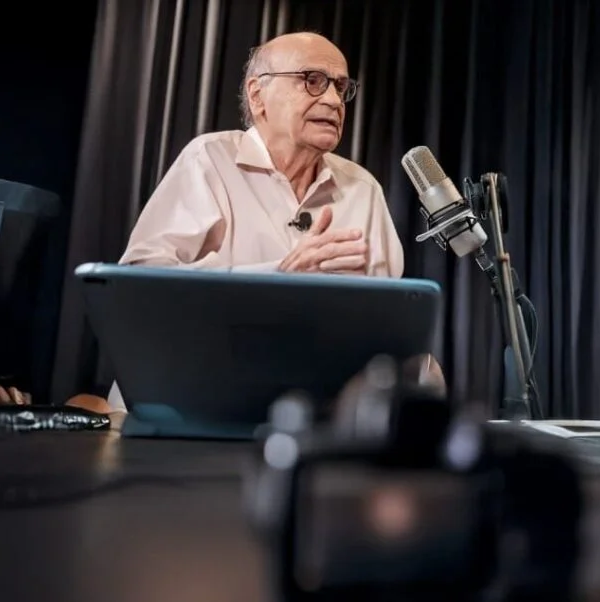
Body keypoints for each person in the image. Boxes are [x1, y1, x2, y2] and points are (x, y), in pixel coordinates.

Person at [103, 31, 444, 412]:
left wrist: (417, 364)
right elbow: (139, 288)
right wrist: (277, 277)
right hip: (185, 404)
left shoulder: (362, 190)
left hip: (307, 415)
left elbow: (386, 326)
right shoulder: (210, 160)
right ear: (257, 95)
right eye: (312, 80)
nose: (334, 101)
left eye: (340, 87)